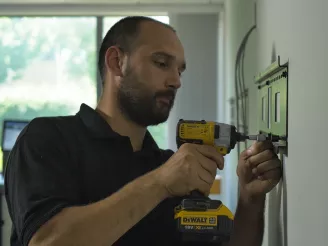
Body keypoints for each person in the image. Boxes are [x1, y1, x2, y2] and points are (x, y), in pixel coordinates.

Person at [4, 16, 282, 246]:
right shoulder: (47, 139)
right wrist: (159, 184)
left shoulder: (168, 166)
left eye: (180, 71)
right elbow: (47, 241)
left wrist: (250, 198)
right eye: (161, 63)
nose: (175, 81)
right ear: (116, 62)